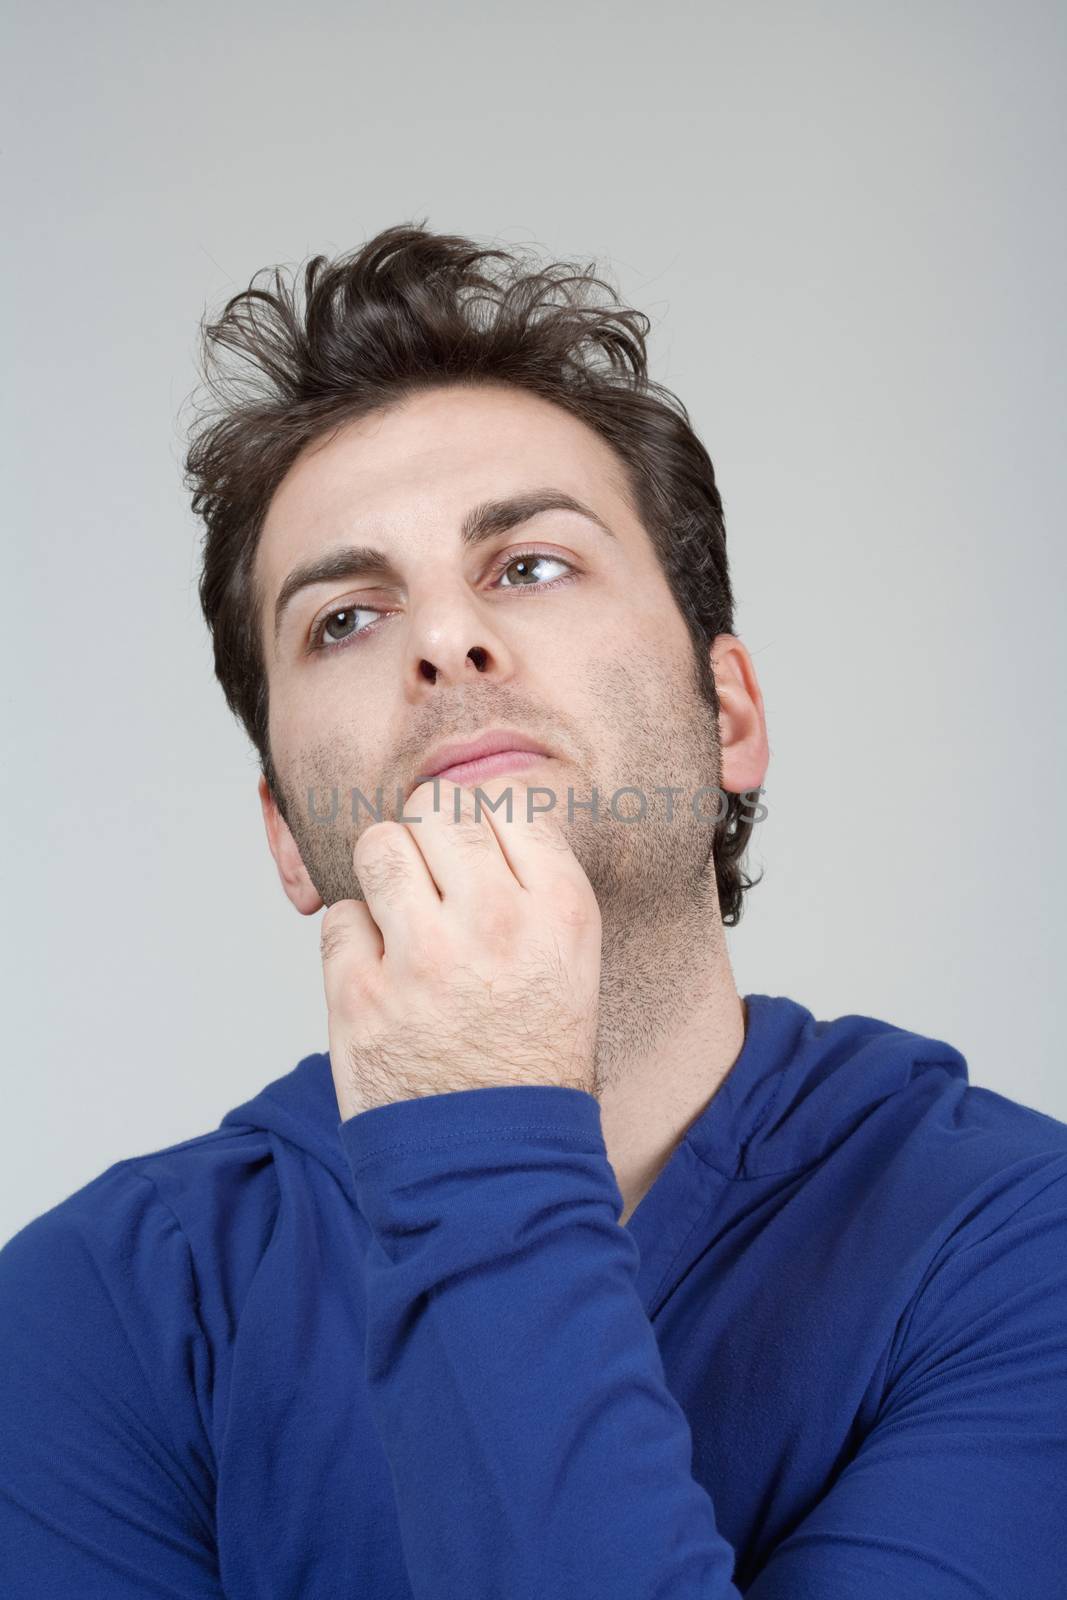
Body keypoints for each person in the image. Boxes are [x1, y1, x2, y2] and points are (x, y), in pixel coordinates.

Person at [2, 222, 1065, 1599]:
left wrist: (473, 1127)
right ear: (286, 838)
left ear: (726, 712)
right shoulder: (88, 1317)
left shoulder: (1019, 1246)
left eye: (532, 566)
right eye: (345, 618)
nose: (446, 638)